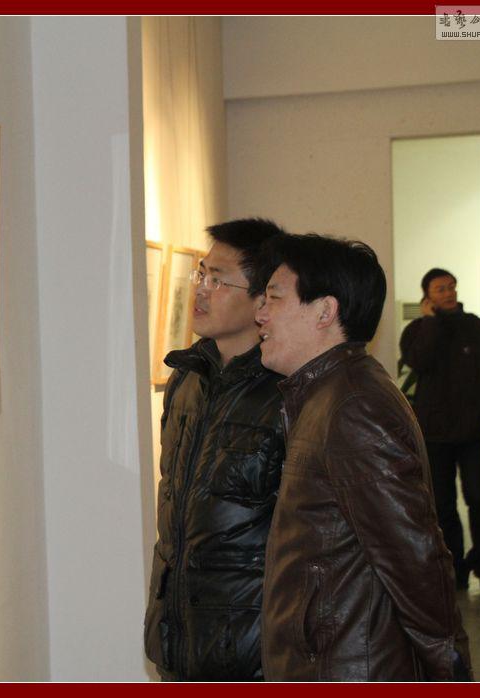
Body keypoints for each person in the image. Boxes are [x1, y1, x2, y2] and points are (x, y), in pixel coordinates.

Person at [255, 234, 471, 681]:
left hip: (350, 668)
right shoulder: (324, 395)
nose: (260, 313)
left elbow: (414, 558)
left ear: (324, 311)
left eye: (274, 297)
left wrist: (453, 673)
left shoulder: (353, 406)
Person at [143, 218, 286, 681]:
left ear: (263, 299)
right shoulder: (187, 378)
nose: (200, 290)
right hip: (177, 641)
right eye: (201, 274)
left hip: (252, 651)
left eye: (218, 280)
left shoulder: (288, 391)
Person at [399, 268, 480, 592]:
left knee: (478, 497)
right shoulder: (418, 330)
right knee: (443, 504)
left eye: (451, 287)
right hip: (435, 435)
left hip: (473, 433)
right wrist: (431, 322)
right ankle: (455, 567)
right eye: (440, 289)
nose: (448, 293)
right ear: (427, 296)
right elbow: (418, 361)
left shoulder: (478, 328)